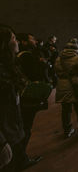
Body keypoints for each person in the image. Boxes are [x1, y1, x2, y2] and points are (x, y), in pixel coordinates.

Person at [0, 25, 41, 171]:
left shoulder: (9, 66)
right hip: (6, 135)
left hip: (12, 128)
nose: (16, 41)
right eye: (13, 38)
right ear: (4, 44)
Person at [16, 33, 47, 161]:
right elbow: (36, 75)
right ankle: (21, 159)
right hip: (28, 97)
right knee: (26, 127)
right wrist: (42, 64)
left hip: (20, 96)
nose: (35, 41)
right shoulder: (27, 57)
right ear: (24, 42)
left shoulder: (18, 56)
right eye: (31, 39)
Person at [55, 38, 78, 138]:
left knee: (66, 110)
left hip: (62, 86)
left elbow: (56, 72)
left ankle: (67, 130)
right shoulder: (77, 58)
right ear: (76, 49)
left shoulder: (58, 59)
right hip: (75, 86)